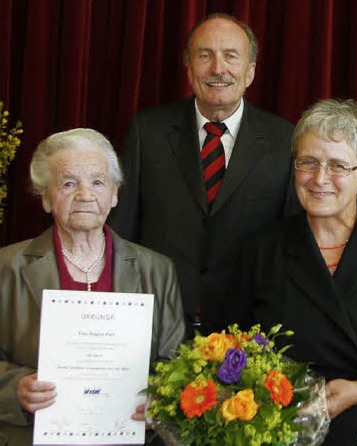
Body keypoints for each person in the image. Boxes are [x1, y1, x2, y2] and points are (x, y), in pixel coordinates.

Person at [229, 99, 357, 445]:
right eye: (308, 162)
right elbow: (233, 347)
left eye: (338, 166)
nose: (319, 179)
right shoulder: (261, 250)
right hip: (283, 432)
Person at [109, 13, 297, 333]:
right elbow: (121, 231)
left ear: (250, 71)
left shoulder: (285, 140)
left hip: (247, 329)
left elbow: (291, 244)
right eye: (205, 55)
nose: (217, 69)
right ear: (189, 68)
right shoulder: (147, 131)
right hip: (157, 325)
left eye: (231, 56)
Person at [0, 129, 185, 445]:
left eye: (98, 182)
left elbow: (177, 365)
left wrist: (163, 400)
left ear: (114, 194)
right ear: (46, 197)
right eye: (68, 183)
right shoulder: (7, 267)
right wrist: (14, 388)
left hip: (129, 435)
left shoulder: (157, 270)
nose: (85, 194)